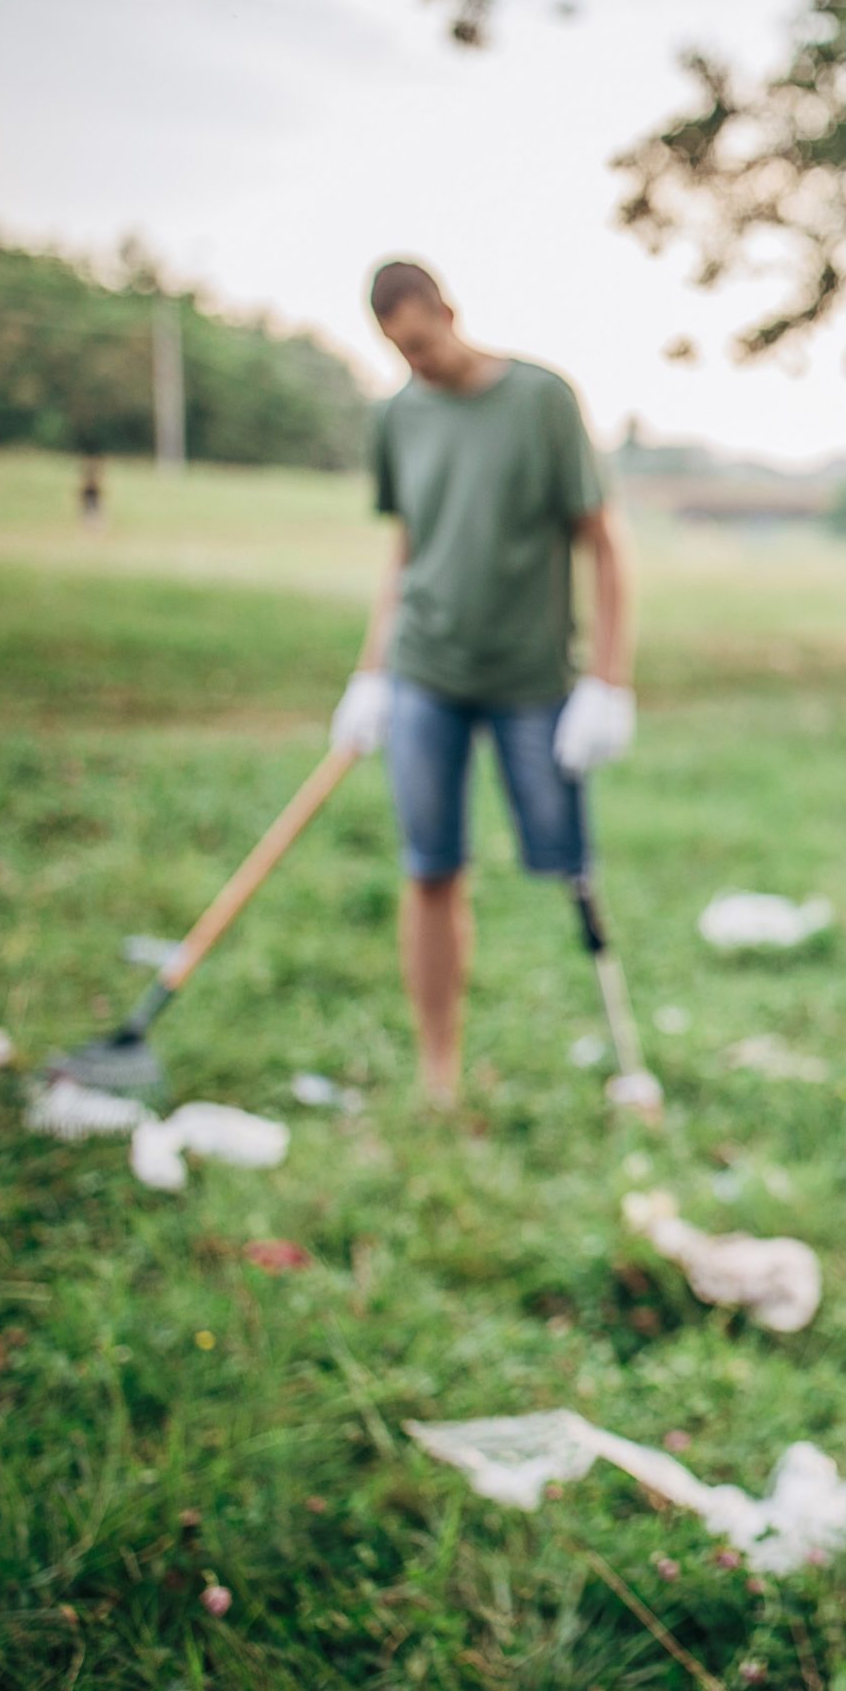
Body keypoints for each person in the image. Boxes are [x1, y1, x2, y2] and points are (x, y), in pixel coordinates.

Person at [326, 259, 636, 1108]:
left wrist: (609, 681)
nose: (414, 362)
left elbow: (603, 543)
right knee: (430, 867)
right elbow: (406, 549)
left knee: (567, 860)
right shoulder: (396, 417)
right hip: (426, 668)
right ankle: (438, 1073)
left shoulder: (540, 400)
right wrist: (371, 673)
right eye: (398, 350)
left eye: (422, 342)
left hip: (532, 678)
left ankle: (620, 1045)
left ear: (449, 312)